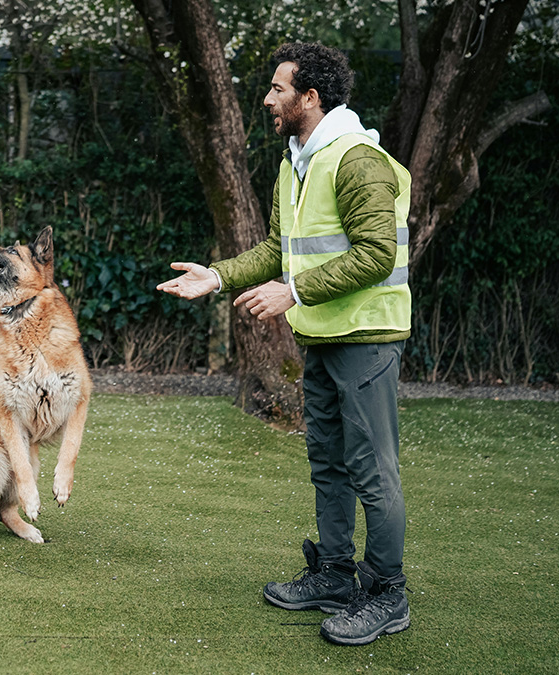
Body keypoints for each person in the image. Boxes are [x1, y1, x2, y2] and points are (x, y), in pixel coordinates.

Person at [156, 42, 411, 646]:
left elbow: (378, 254)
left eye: (278, 89)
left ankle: (387, 592)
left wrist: (293, 293)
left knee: (372, 471)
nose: (268, 99)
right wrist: (216, 276)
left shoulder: (356, 160)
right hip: (322, 334)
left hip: (367, 337)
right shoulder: (295, 159)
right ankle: (333, 573)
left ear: (310, 97)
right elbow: (278, 249)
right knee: (327, 462)